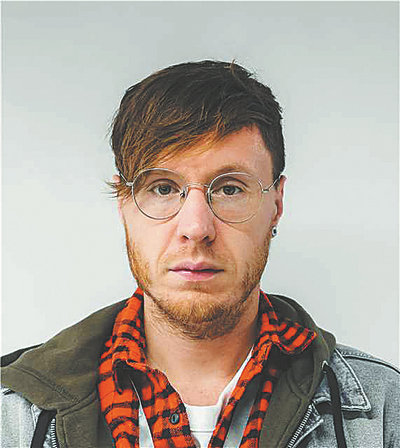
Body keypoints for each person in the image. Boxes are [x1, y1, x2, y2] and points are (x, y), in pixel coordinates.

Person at [1, 60, 398, 448]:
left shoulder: (384, 410)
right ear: (123, 203)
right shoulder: (13, 415)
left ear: (276, 204)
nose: (195, 228)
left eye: (229, 189)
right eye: (162, 188)